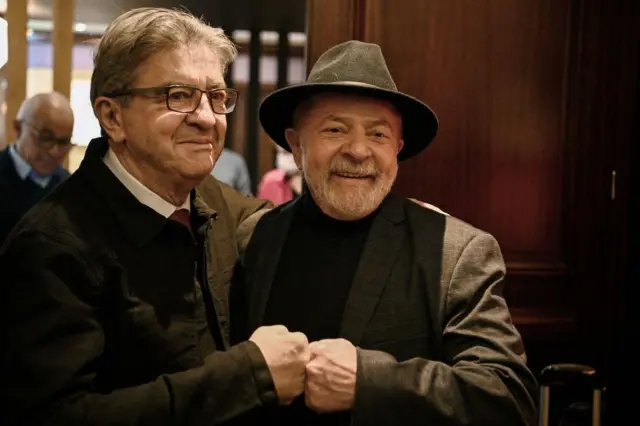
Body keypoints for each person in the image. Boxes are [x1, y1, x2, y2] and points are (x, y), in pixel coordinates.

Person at [0, 8, 310, 425]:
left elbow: (288, 225)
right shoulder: (52, 245)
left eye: (217, 97)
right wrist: (249, 374)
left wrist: (393, 218)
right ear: (113, 117)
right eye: (178, 95)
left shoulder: (210, 198)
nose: (206, 118)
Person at [232, 40, 538, 425]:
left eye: (378, 135)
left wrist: (367, 381)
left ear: (398, 148)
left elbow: (507, 396)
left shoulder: (455, 252)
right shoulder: (255, 238)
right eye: (335, 129)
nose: (359, 150)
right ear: (296, 145)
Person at [0, 92, 73, 244]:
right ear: (18, 128)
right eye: (46, 138)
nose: (54, 151)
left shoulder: (68, 186)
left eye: (63, 142)